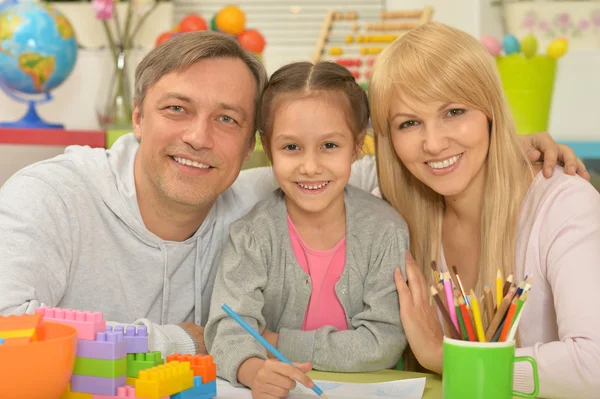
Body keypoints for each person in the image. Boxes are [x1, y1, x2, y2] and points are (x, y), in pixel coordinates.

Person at [0, 30, 588, 357]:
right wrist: (185, 339)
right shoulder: (49, 197)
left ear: (249, 143)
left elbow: (353, 166)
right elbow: (6, 331)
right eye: (176, 110)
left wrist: (512, 146)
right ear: (137, 115)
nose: (200, 139)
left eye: (227, 119)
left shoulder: (254, 187)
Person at [369, 22, 600, 398]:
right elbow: (299, 175)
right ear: (388, 137)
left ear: (490, 111)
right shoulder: (387, 210)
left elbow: (594, 367)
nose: (433, 143)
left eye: (454, 112)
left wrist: (447, 357)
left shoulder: (566, 205)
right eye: (409, 123)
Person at [204, 62, 408, 399]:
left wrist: (276, 342)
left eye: (329, 146)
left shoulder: (385, 231)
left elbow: (382, 343)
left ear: (357, 146)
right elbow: (227, 332)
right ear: (267, 147)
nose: (310, 167)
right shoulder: (251, 236)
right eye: (291, 147)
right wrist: (254, 371)